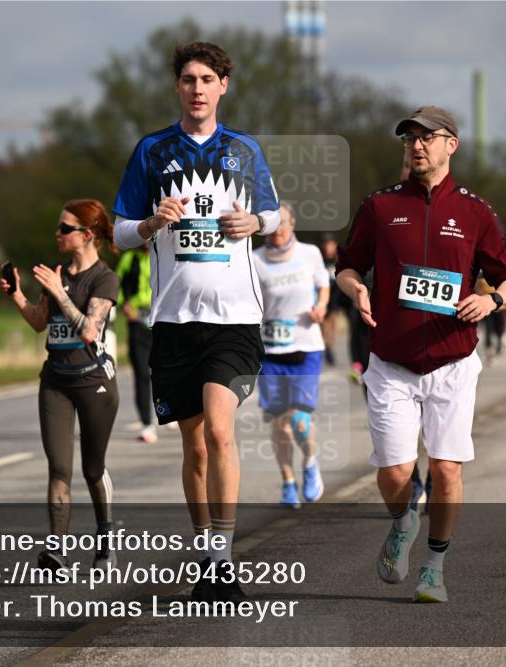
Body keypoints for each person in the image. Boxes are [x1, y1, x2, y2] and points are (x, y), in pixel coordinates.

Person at [336, 106, 506, 603]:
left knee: (447, 469)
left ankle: (435, 568)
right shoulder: (379, 207)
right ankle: (404, 523)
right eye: (410, 139)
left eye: (427, 138)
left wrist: (492, 298)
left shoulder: (475, 212)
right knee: (396, 472)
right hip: (392, 362)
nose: (416, 146)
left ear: (451, 145)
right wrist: (355, 289)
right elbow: (347, 265)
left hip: (452, 362)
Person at [112, 41, 280, 604]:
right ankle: (205, 549)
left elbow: (276, 214)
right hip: (175, 321)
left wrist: (254, 219)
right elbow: (116, 232)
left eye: (208, 79)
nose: (198, 88)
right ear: (177, 87)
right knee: (196, 448)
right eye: (188, 79)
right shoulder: (153, 150)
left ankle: (224, 558)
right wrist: (149, 223)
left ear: (224, 86)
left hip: (234, 320)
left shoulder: (244, 149)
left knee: (220, 429)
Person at [2, 200, 120, 573]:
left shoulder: (104, 278)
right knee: (58, 468)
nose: (57, 233)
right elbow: (40, 322)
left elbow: (89, 331)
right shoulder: (57, 273)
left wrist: (61, 292)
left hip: (94, 381)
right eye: (58, 227)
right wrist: (16, 294)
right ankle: (58, 551)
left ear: (87, 235)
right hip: (55, 380)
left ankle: (105, 541)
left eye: (65, 228)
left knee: (92, 469)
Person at [253, 201, 329, 508]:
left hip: (305, 346)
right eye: (271, 227)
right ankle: (287, 481)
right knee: (279, 424)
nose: (277, 232)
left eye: (282, 225)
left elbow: (324, 285)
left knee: (298, 420)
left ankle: (310, 463)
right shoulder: (255, 260)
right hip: (270, 352)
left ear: (293, 224)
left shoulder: (309, 253)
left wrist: (321, 307)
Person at [115, 245, 156, 443]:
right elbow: (116, 284)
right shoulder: (129, 258)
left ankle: (169, 411)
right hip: (138, 321)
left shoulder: (165, 251)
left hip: (163, 321)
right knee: (141, 373)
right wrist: (124, 304)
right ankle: (146, 424)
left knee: (164, 371)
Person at [319, 233, 344, 367]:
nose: (328, 247)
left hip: (336, 298)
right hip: (323, 297)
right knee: (324, 325)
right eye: (326, 244)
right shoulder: (321, 261)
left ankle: (330, 346)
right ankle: (326, 346)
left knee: (332, 324)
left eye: (331, 244)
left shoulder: (339, 260)